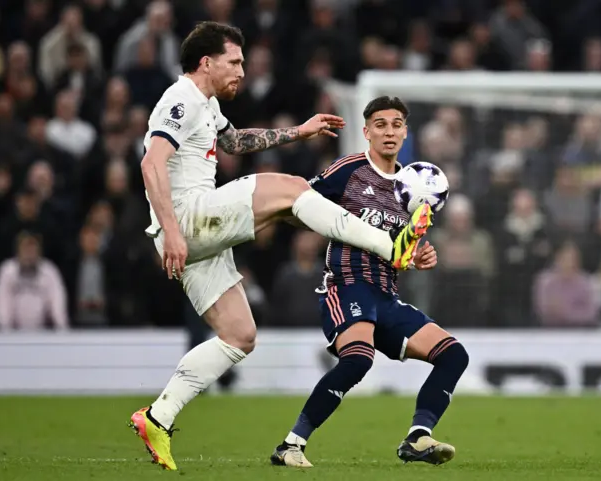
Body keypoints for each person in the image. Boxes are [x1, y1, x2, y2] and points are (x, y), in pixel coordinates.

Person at [128, 23, 431, 471]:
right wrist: (173, 230)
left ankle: (158, 417)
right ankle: (390, 246)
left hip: (196, 235)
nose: (242, 71)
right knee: (291, 189)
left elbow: (234, 142)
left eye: (244, 63)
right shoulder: (181, 98)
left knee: (239, 335)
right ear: (206, 62)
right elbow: (151, 163)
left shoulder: (206, 105)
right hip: (188, 220)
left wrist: (298, 132)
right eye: (234, 62)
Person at [270, 96, 469, 468]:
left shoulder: (416, 185)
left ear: (406, 131)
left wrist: (418, 256)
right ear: (367, 132)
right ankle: (290, 444)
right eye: (380, 124)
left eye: (396, 124)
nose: (389, 131)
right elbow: (296, 205)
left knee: (454, 354)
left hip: (386, 295)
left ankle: (417, 436)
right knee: (359, 359)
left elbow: (400, 249)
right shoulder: (348, 171)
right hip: (345, 285)